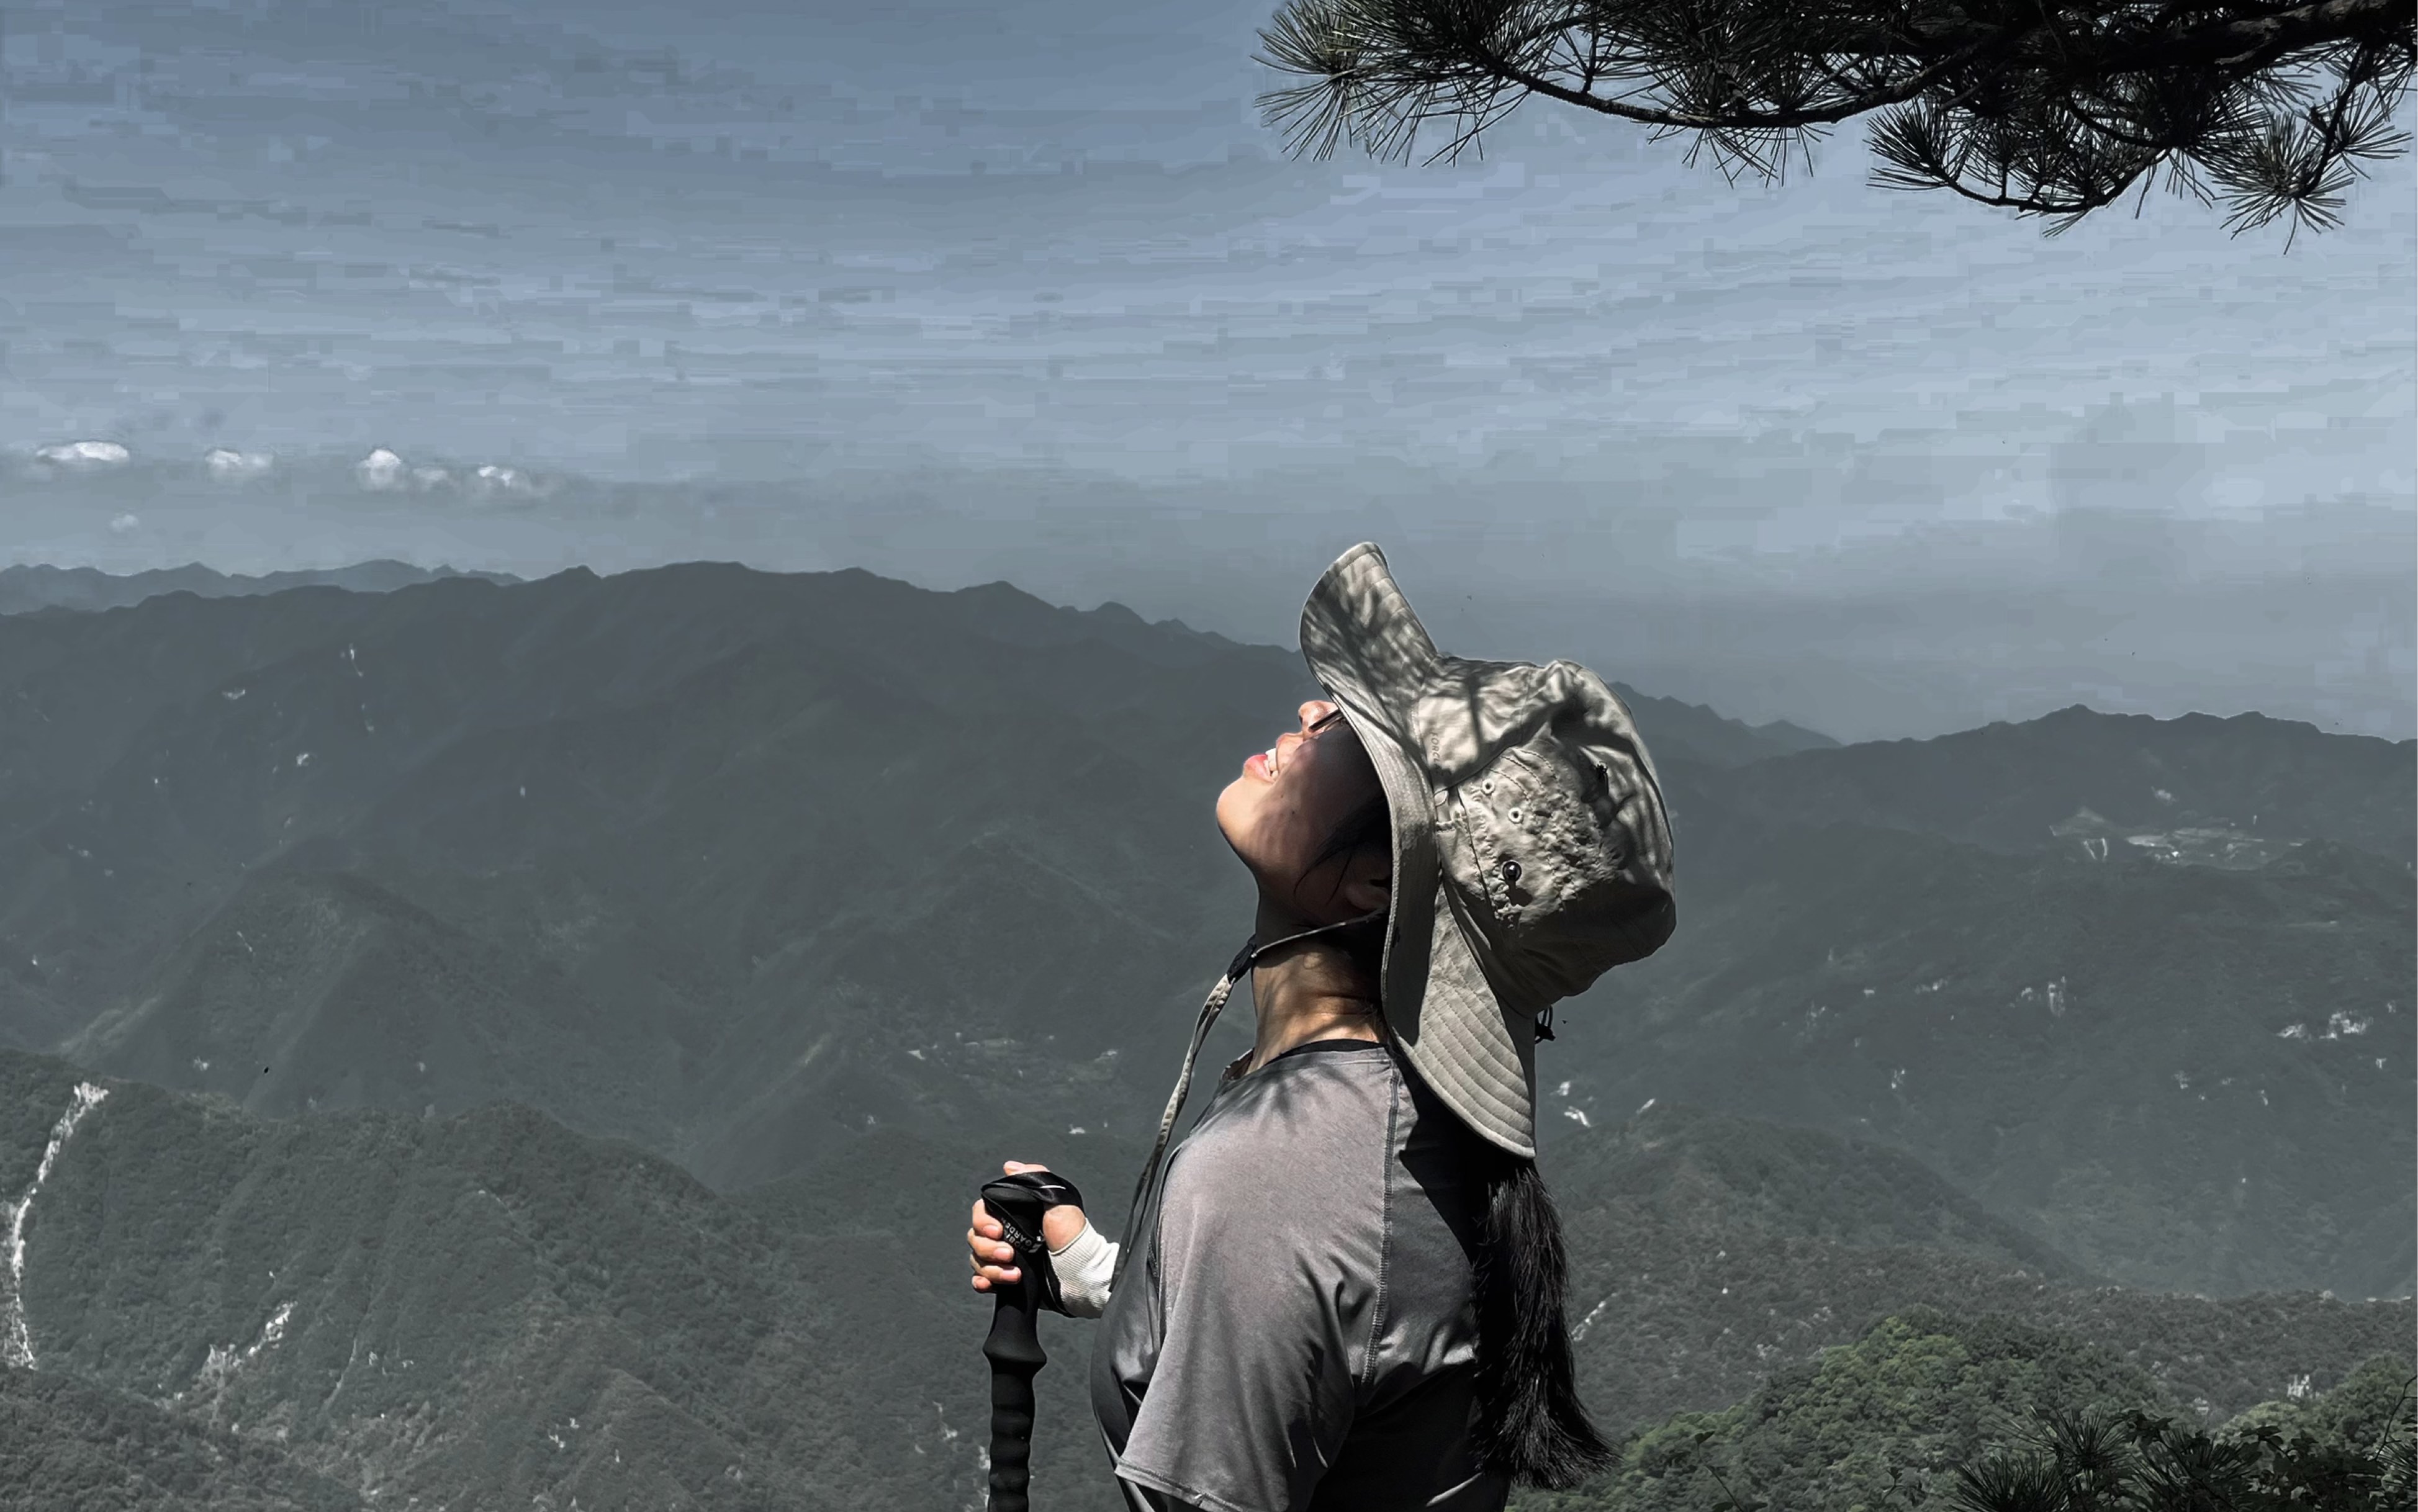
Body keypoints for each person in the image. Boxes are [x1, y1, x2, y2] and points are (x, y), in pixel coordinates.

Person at [964, 542, 1677, 1511]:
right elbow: (1341, 1319)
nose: (1311, 711)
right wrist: (1097, 1270)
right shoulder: (1372, 1120)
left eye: (1356, 730)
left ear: (1380, 880)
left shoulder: (1279, 1178)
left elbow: (1304, 1248)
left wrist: (1225, 1231)